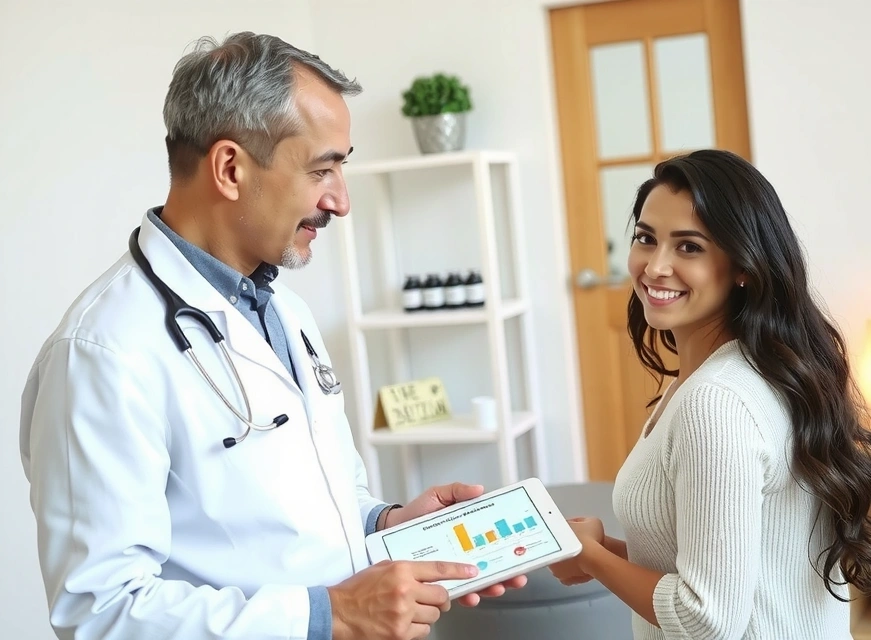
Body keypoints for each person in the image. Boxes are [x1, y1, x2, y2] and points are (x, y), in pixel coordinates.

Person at [19, 32, 524, 640]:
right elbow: (99, 612)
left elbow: (310, 502)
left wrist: (385, 524)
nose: (339, 201)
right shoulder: (101, 353)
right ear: (230, 168)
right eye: (322, 169)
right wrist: (330, 615)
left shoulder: (282, 307)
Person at [548, 150, 871, 639]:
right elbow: (728, 569)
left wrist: (591, 557)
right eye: (646, 239)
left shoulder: (716, 403)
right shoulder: (748, 374)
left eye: (689, 247)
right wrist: (603, 551)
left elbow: (705, 618)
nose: (655, 267)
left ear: (743, 266)